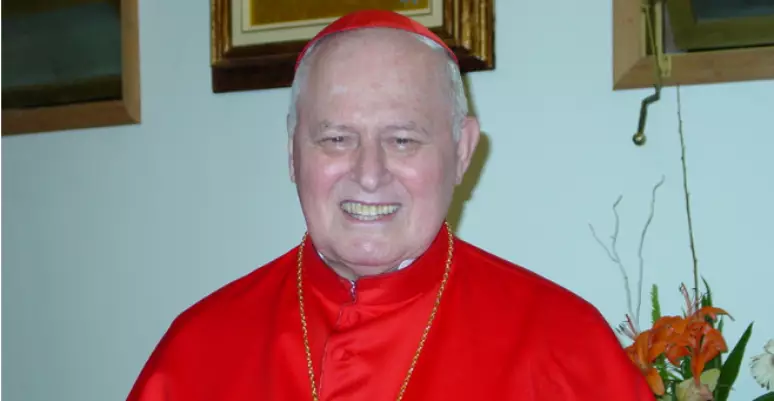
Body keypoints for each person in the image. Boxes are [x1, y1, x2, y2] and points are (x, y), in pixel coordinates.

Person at [126, 9, 656, 401]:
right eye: (336, 139)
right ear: (292, 152)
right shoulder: (199, 349)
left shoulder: (565, 346)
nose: (369, 173)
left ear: (462, 151)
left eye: (403, 140)